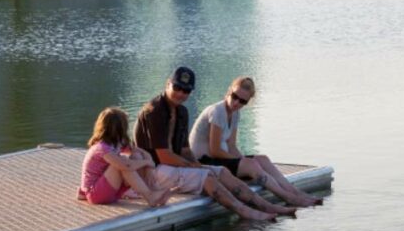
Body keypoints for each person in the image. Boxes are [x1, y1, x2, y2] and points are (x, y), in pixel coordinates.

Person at [134, 67, 296, 221]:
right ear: (168, 84)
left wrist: (196, 164)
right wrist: (196, 167)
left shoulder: (181, 112)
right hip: (152, 170)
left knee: (222, 172)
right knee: (207, 176)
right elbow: (163, 156)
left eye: (186, 90)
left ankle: (267, 206)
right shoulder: (155, 111)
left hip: (171, 167)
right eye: (177, 87)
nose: (181, 94)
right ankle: (245, 212)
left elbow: (185, 150)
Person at [190, 76, 322, 207]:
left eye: (242, 101)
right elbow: (215, 151)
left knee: (262, 159)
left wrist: (244, 161)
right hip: (203, 162)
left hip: (218, 159)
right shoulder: (217, 111)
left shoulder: (235, 113)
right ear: (229, 91)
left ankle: (295, 192)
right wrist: (244, 163)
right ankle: (288, 197)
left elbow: (231, 146)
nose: (236, 103)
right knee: (250, 164)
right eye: (234, 96)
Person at [78, 107, 174, 207]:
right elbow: (126, 166)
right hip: (95, 194)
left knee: (137, 156)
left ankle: (152, 190)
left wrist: (148, 164)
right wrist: (147, 162)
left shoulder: (117, 143)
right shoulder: (101, 148)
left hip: (111, 191)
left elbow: (143, 153)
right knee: (123, 164)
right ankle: (150, 197)